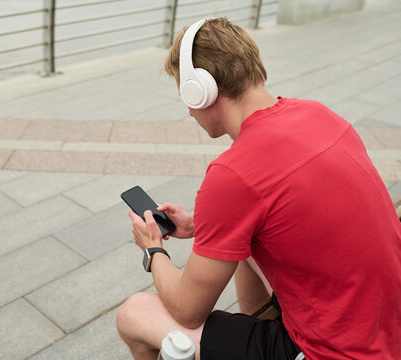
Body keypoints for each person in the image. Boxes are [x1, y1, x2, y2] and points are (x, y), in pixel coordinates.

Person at [116, 17, 401, 360]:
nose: (188, 110)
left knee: (133, 314)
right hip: (386, 329)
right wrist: (199, 225)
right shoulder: (319, 114)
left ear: (201, 89)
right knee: (244, 243)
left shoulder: (233, 173)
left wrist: (152, 249)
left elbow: (186, 311)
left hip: (334, 351)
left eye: (184, 93)